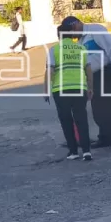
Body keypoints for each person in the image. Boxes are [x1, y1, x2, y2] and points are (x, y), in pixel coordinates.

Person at [44, 16, 93, 162]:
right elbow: (88, 70)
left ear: (59, 36)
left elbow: (50, 71)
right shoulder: (82, 48)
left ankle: (73, 151)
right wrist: (90, 87)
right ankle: (87, 151)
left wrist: (46, 90)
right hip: (80, 88)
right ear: (72, 35)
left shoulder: (54, 50)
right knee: (81, 119)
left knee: (66, 120)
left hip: (60, 90)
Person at [82, 22, 111, 149]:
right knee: (98, 110)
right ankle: (104, 137)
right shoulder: (80, 39)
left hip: (106, 73)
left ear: (75, 25)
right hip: (93, 76)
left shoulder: (94, 30)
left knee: (109, 108)